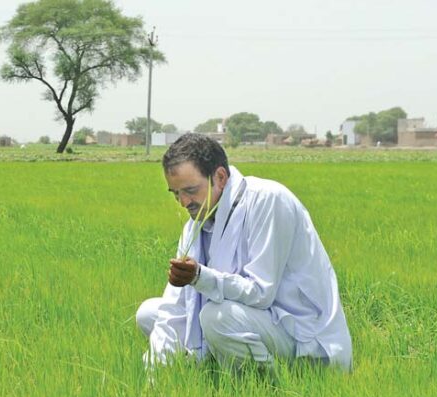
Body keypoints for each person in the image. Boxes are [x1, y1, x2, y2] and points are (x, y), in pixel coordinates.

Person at [136, 133, 352, 372]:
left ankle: (270, 387)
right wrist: (154, 378)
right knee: (148, 313)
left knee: (215, 318)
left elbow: (261, 293)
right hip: (255, 320)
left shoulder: (267, 201)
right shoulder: (196, 222)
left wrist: (199, 277)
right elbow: (176, 305)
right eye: (175, 193)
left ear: (220, 177)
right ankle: (211, 360)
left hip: (298, 332)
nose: (183, 202)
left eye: (190, 190)